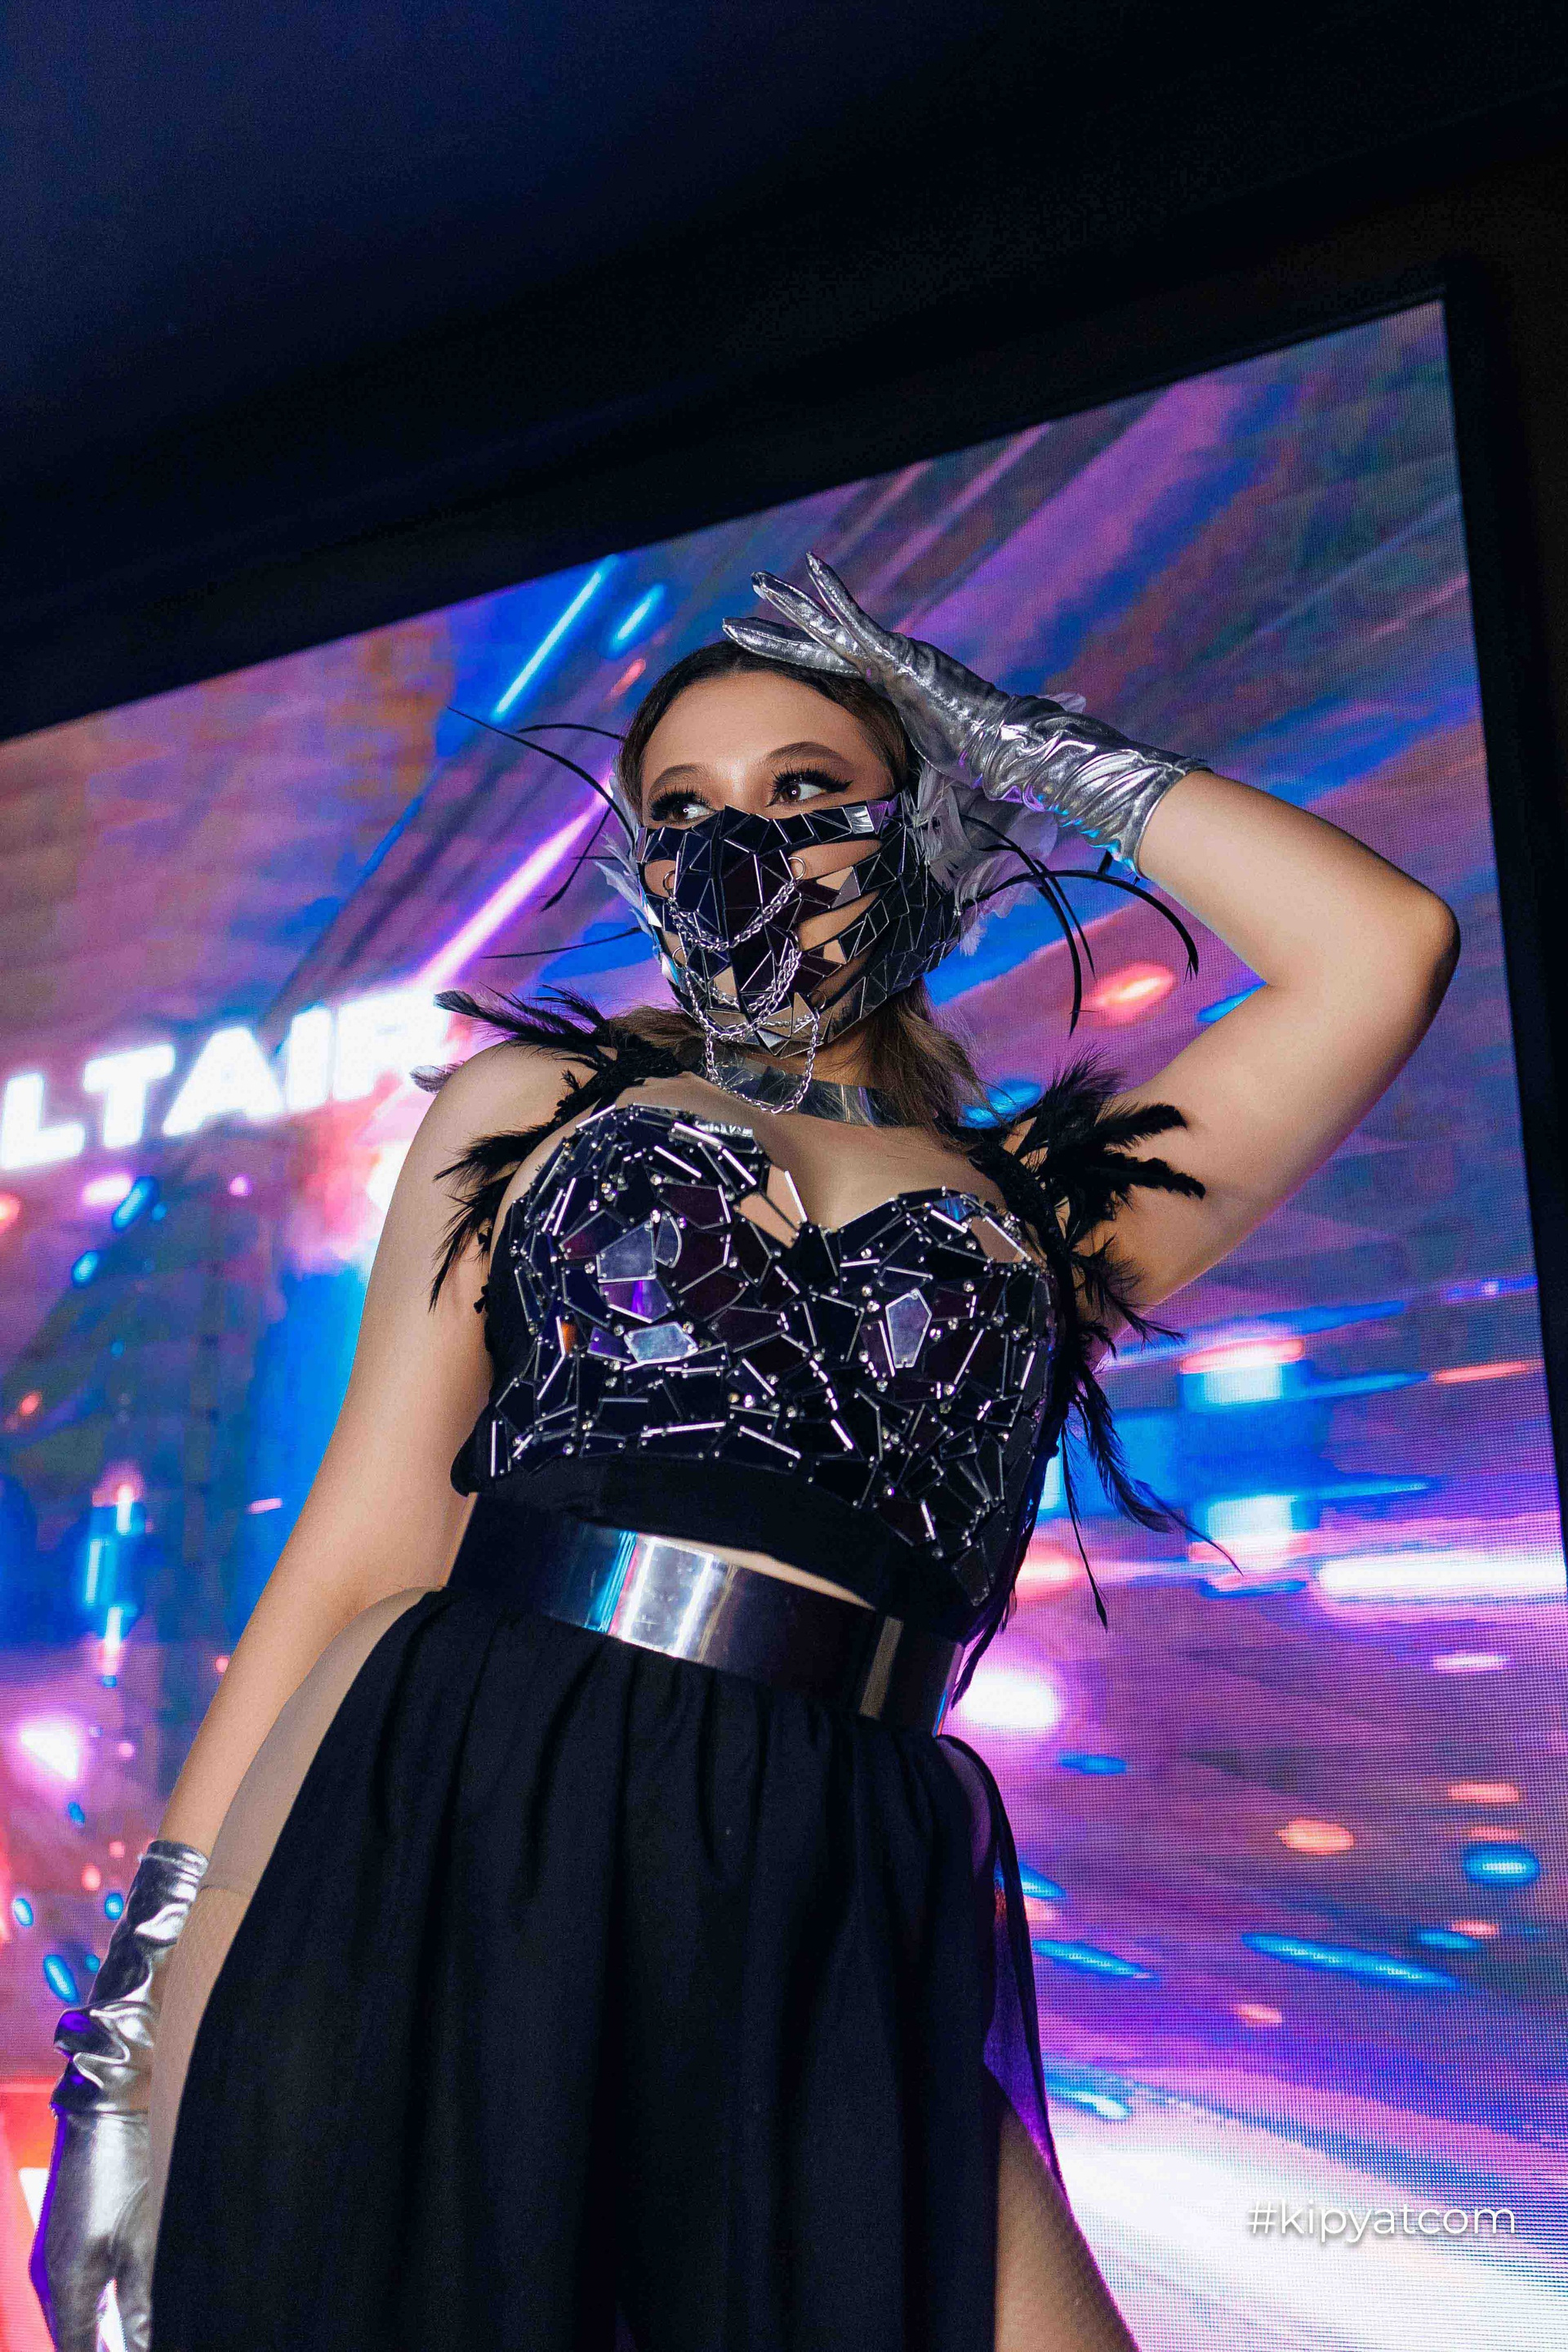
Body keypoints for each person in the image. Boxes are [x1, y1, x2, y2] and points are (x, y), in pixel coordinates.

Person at [29, 556, 1458, 2352]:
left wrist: (1004, 734)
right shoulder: (541, 1110)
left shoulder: (1052, 1209)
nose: (739, 848)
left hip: (837, 1858)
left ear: (919, 824)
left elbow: (1382, 948)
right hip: (483, 1799)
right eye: (684, 811)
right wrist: (125, 2053)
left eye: (804, 789)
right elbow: (362, 1556)